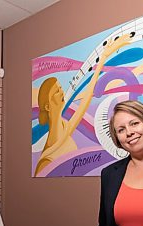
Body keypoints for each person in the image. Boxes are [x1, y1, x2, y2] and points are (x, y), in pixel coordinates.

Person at [34, 34, 132, 176]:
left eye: (61, 88)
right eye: (57, 91)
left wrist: (103, 58)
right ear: (48, 106)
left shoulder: (64, 126)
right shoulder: (52, 149)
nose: (62, 92)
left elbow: (87, 97)